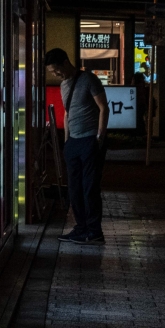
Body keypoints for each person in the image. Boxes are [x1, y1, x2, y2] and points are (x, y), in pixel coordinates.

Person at [45, 48, 109, 245]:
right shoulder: (65, 84)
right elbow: (67, 112)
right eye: (52, 73)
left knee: (89, 188)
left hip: (90, 139)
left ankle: (94, 231)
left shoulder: (89, 79)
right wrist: (66, 141)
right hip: (73, 142)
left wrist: (100, 136)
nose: (56, 75)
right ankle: (81, 228)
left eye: (56, 71)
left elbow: (103, 107)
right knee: (74, 189)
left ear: (66, 62)